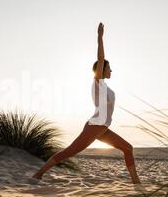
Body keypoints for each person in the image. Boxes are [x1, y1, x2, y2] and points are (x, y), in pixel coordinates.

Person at [32, 22, 141, 184]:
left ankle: (136, 182)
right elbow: (101, 58)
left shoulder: (105, 87)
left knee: (127, 148)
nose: (111, 70)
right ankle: (38, 174)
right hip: (95, 126)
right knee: (70, 152)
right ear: (101, 70)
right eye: (109, 68)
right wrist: (100, 37)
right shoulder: (98, 82)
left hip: (103, 128)